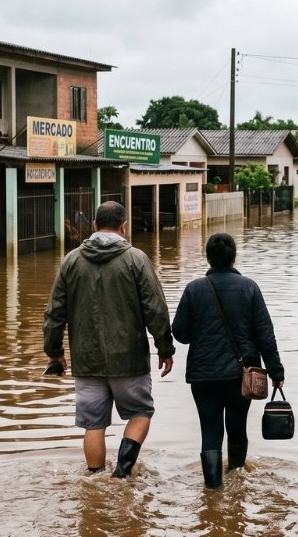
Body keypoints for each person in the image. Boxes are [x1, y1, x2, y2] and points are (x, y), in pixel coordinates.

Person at [44, 201, 175, 479]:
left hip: (86, 360)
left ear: (94, 226)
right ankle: (121, 474)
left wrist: (54, 352)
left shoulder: (71, 260)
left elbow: (55, 312)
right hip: (129, 359)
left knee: (94, 424)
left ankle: (94, 479)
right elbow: (156, 309)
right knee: (140, 412)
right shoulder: (136, 259)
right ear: (123, 226)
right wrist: (165, 348)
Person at [172, 233, 284, 489]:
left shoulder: (194, 288)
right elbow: (265, 335)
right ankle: (236, 482)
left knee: (210, 433)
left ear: (208, 258)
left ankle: (212, 491)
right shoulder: (250, 288)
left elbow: (180, 333)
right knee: (237, 427)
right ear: (234, 257)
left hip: (204, 375)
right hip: (241, 375)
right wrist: (276, 371)